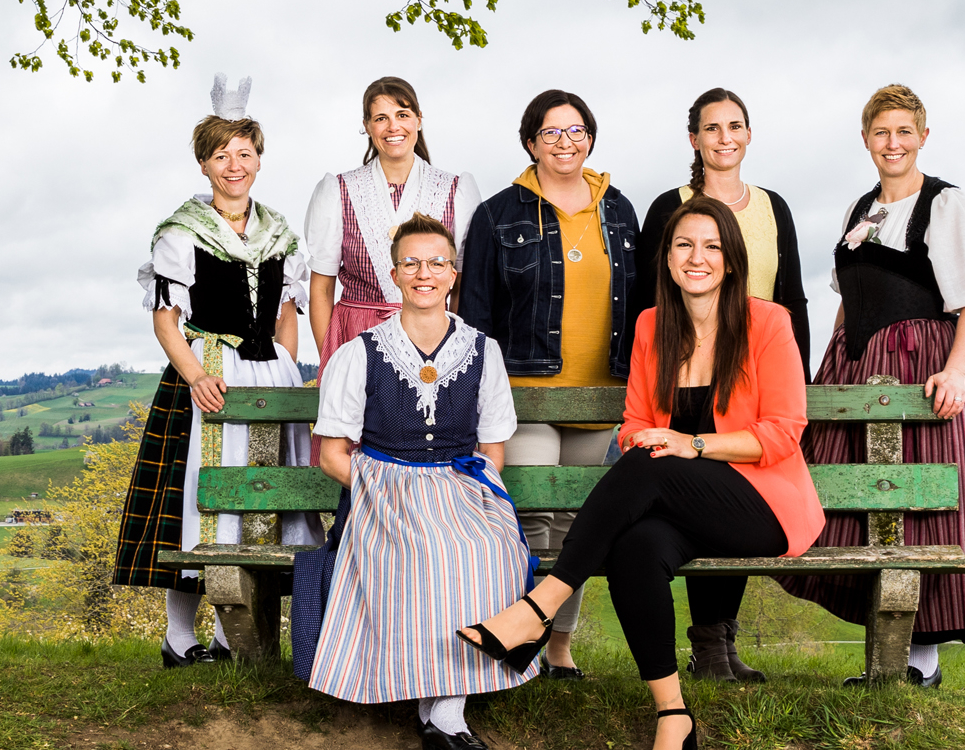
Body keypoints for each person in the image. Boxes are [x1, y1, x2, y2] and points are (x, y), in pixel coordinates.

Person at [459, 196, 821, 750]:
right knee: (635, 549)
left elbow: (783, 433)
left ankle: (539, 607)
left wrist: (692, 445)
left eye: (710, 246)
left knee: (655, 462)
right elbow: (632, 426)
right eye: (683, 245)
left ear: (731, 259)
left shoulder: (768, 322)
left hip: (762, 504)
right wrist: (663, 442)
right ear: (668, 259)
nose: (696, 257)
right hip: (680, 500)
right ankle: (673, 715)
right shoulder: (654, 325)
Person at [780, 84, 965, 682]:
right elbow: (847, 303)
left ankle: (919, 662)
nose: (893, 143)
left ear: (923, 137)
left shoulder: (946, 204)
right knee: (856, 504)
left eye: (904, 132)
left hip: (922, 369)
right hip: (858, 368)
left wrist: (956, 372)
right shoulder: (859, 210)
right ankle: (885, 649)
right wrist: (825, 374)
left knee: (917, 508)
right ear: (865, 140)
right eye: (881, 132)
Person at [306, 213, 534, 750]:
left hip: (461, 486)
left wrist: (461, 494)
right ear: (394, 274)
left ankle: (443, 713)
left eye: (436, 262)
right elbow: (332, 455)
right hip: (382, 489)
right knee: (425, 553)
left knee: (483, 548)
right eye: (412, 263)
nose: (424, 273)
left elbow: (493, 449)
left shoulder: (484, 351)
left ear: (453, 274)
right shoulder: (360, 353)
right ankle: (442, 716)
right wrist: (390, 486)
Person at [116, 76, 322, 667]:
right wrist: (194, 376)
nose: (235, 165)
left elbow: (288, 316)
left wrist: (288, 369)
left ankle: (236, 639)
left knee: (262, 495)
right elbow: (165, 319)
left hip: (269, 373)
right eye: (221, 155)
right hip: (209, 370)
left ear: (259, 158)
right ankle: (179, 639)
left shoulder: (280, 232)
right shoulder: (183, 232)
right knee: (194, 499)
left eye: (245, 153)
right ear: (204, 165)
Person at [459, 89, 643, 681]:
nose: (565, 142)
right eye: (551, 132)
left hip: (600, 395)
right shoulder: (496, 214)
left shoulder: (618, 209)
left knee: (576, 526)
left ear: (589, 137)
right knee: (534, 518)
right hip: (526, 394)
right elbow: (478, 314)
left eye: (576, 131)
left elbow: (638, 305)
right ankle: (524, 644)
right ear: (531, 142)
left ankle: (558, 647)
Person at [632, 87, 811, 683]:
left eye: (736, 126)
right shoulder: (670, 207)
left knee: (731, 480)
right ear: (694, 139)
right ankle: (708, 644)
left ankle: (718, 640)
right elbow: (648, 292)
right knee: (691, 489)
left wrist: (792, 388)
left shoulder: (771, 206)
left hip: (753, 368)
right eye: (712, 127)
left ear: (749, 135)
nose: (724, 137)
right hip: (685, 365)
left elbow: (791, 296)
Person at [304, 76, 484, 368]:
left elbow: (462, 284)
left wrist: (454, 350)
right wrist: (333, 360)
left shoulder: (455, 190)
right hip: (356, 338)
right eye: (380, 118)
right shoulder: (338, 191)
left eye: (402, 115)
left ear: (418, 120)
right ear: (367, 126)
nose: (393, 127)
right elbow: (322, 288)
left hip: (433, 339)